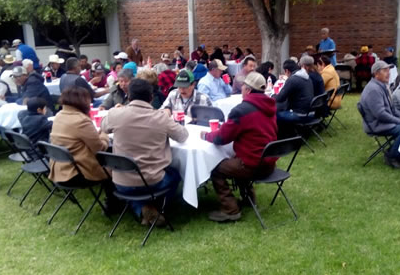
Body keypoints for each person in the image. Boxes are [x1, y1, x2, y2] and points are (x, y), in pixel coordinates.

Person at [101, 79, 189, 225]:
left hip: (121, 181)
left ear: (128, 96)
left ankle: (142, 208)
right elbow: (183, 136)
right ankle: (158, 208)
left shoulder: (115, 114)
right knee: (175, 174)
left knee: (138, 182)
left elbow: (103, 127)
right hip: (154, 181)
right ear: (151, 97)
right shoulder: (161, 118)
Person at [201, 72, 277, 222]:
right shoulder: (270, 106)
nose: (241, 88)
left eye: (243, 86)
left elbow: (221, 138)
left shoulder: (242, 110)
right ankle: (248, 198)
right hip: (269, 162)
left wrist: (205, 135)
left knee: (215, 167)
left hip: (253, 165)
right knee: (236, 158)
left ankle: (230, 210)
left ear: (248, 90)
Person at [48, 86, 118, 212]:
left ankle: (114, 203)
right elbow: (100, 147)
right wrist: (104, 133)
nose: (90, 102)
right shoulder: (80, 120)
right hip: (76, 173)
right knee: (115, 168)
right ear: (81, 101)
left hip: (60, 169)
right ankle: (114, 204)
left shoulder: (60, 115)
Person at [359, 61, 400, 168]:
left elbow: (392, 109)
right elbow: (380, 114)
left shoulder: (381, 86)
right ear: (376, 74)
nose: (388, 73)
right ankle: (392, 156)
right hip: (377, 124)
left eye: (389, 70)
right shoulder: (373, 90)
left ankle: (398, 151)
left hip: (382, 121)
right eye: (385, 71)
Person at [274, 59, 314, 137]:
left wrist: (272, 96)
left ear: (287, 71)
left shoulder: (292, 79)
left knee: (274, 114)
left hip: (300, 115)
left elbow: (280, 98)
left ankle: (281, 137)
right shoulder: (306, 77)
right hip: (310, 112)